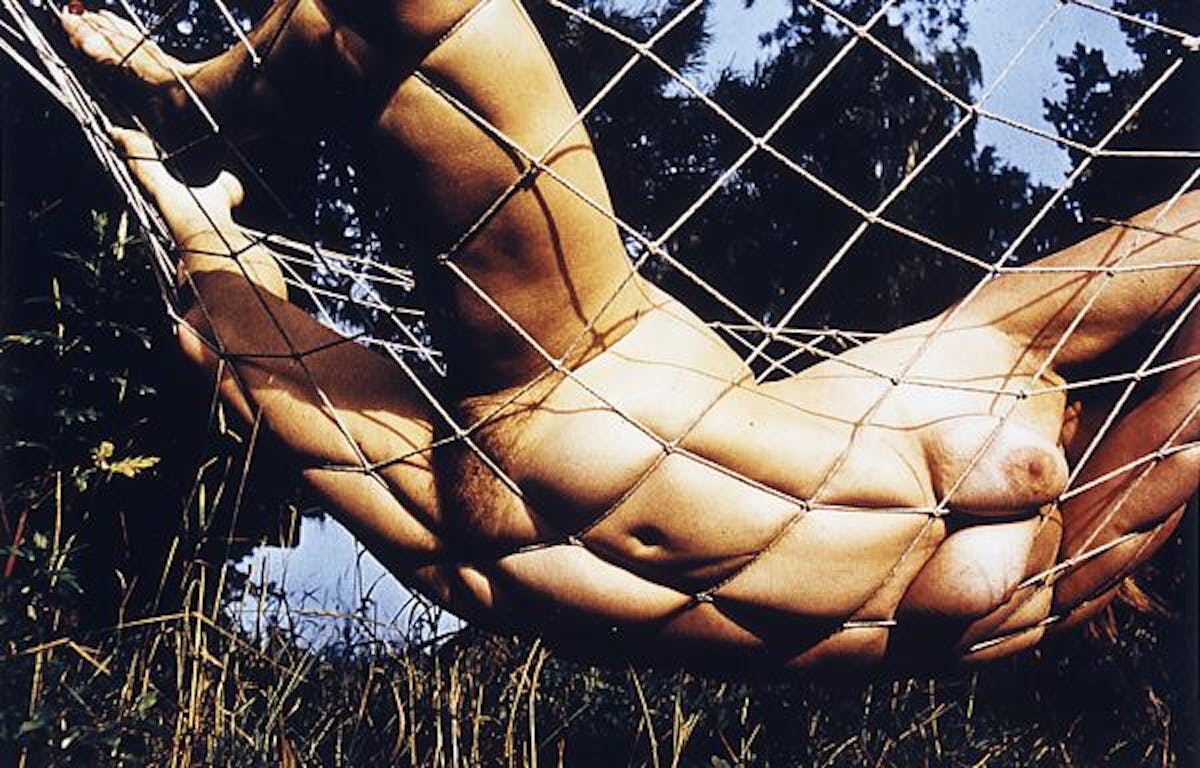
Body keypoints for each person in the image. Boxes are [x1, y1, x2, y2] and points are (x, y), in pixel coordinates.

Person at [60, 0, 1199, 671]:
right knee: (391, 34)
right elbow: (1176, 254)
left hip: (501, 550)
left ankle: (193, 154)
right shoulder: (1004, 366)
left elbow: (1175, 421)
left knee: (217, 324)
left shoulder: (1045, 576)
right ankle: (194, 118)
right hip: (575, 388)